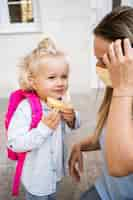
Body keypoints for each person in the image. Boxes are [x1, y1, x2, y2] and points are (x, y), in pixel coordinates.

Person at [69, 6, 133, 200]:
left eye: (106, 61)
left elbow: (118, 165)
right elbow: (114, 134)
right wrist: (82, 144)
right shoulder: (117, 91)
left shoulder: (122, 91)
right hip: (105, 190)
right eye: (97, 60)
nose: (98, 68)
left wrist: (123, 88)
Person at [7, 37, 80, 200]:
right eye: (52, 77)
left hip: (54, 173)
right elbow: (14, 143)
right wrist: (43, 130)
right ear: (33, 82)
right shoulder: (26, 108)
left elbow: (74, 126)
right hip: (36, 179)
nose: (60, 83)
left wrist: (72, 118)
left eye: (64, 76)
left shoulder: (61, 100)